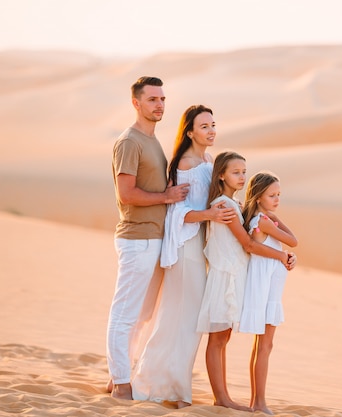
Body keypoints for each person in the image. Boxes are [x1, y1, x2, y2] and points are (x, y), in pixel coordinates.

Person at [130, 105, 236, 408]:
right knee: (182, 319)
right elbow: (176, 212)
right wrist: (209, 214)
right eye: (204, 126)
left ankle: (168, 385)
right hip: (184, 247)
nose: (212, 130)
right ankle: (162, 386)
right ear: (189, 131)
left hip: (199, 247)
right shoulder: (185, 164)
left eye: (213, 124)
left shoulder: (208, 160)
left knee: (186, 319)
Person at [106, 76, 190, 400]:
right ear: (136, 103)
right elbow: (127, 194)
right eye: (152, 99)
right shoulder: (130, 142)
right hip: (137, 238)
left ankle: (121, 378)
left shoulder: (152, 140)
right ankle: (121, 384)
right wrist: (167, 198)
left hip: (154, 240)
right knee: (125, 314)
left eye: (163, 99)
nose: (159, 105)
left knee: (141, 318)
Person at [197, 151, 296, 411]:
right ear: (221, 175)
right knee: (217, 339)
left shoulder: (233, 204)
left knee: (222, 338)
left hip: (233, 274)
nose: (242, 177)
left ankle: (224, 396)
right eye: (235, 172)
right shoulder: (225, 205)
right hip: (225, 275)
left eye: (243, 172)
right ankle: (221, 397)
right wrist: (281, 255)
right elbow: (248, 244)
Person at [239, 171, 298, 415]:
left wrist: (272, 215)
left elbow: (287, 247)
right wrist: (274, 219)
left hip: (269, 289)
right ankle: (259, 402)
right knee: (264, 346)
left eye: (279, 195)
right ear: (258, 196)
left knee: (262, 346)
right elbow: (292, 241)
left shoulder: (262, 218)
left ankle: (257, 400)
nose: (277, 200)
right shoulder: (262, 221)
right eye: (272, 195)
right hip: (263, 291)